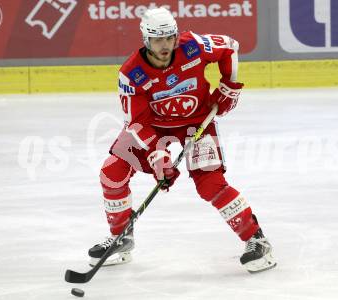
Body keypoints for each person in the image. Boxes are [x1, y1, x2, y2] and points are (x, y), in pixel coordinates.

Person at [88, 7, 276, 273]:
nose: (164, 46)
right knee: (112, 171)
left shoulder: (193, 46)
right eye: (157, 40)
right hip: (153, 127)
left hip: (197, 122)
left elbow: (230, 47)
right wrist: (157, 156)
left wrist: (229, 87)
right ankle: (122, 237)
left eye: (169, 38)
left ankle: (256, 239)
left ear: (176, 36)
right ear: (146, 40)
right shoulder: (131, 74)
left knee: (211, 184)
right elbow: (137, 122)